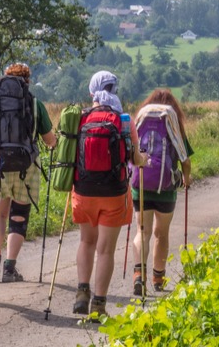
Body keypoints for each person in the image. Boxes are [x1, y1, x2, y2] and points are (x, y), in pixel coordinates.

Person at [71, 71, 146, 318]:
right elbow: (135, 159)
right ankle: (99, 305)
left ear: (92, 91)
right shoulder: (124, 120)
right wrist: (142, 160)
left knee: (86, 241)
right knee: (105, 249)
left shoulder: (80, 118)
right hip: (114, 192)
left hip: (83, 191)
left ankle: (82, 292)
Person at [0, 63, 57, 283]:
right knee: (19, 216)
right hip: (27, 166)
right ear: (27, 80)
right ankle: (9, 268)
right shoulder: (35, 103)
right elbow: (50, 141)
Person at [130, 88, 193, 296]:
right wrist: (186, 177)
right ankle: (158, 278)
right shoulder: (173, 123)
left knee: (142, 232)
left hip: (141, 185)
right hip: (166, 189)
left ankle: (139, 275)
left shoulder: (141, 120)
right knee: (161, 233)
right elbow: (185, 158)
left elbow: (131, 150)